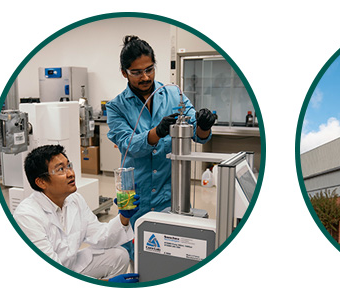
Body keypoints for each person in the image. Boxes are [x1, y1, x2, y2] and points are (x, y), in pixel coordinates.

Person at [106, 35, 216, 250]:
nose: (145, 77)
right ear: (124, 73)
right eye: (137, 72)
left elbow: (196, 133)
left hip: (171, 193)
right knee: (138, 255)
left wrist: (204, 125)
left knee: (174, 250)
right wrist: (156, 132)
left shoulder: (174, 94)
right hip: (135, 197)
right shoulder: (115, 107)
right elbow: (128, 145)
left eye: (150, 69)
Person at [13, 145, 139, 283]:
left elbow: (101, 236)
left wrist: (124, 217)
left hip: (69, 266)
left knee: (119, 255)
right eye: (61, 169)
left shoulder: (74, 200)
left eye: (69, 166)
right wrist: (105, 283)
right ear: (41, 182)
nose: (71, 173)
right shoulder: (27, 216)